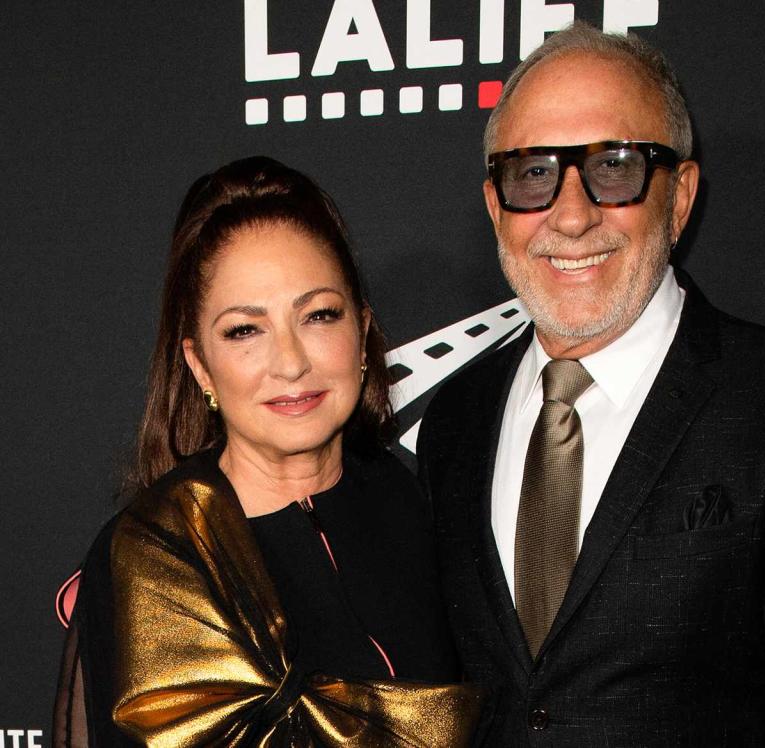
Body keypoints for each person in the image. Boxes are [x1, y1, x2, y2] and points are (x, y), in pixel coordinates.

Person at [417, 22, 765, 746]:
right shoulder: (457, 417)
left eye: (614, 167)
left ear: (678, 196)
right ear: (496, 206)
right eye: (534, 173)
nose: (573, 213)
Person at [53, 156, 483, 746]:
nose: (291, 362)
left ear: (362, 332)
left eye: (318, 315)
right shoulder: (157, 554)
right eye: (244, 330)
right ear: (199, 363)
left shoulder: (425, 509)